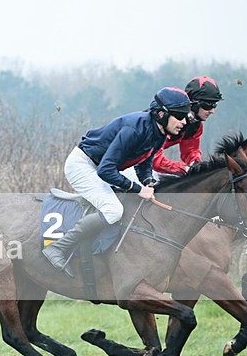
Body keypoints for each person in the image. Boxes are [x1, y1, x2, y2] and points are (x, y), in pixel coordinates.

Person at [42, 87, 193, 276]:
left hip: (103, 166)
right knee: (113, 211)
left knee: (146, 188)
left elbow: (144, 161)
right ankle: (58, 247)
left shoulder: (159, 131)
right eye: (179, 116)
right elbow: (106, 170)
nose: (184, 121)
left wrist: (148, 182)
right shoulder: (135, 129)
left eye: (185, 116)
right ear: (162, 114)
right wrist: (138, 189)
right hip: (83, 165)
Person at [151, 76, 223, 175]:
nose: (212, 111)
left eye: (214, 105)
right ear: (194, 103)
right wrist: (184, 168)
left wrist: (196, 164)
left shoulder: (195, 125)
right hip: (131, 160)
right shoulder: (165, 120)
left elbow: (190, 150)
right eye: (208, 105)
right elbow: (153, 159)